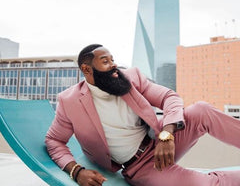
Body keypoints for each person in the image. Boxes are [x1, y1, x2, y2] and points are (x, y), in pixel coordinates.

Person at [45, 44, 240, 186]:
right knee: (207, 185)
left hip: (159, 141)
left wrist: (167, 134)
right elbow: (54, 141)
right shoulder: (69, 101)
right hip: (140, 167)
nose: (114, 65)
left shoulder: (131, 78)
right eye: (105, 62)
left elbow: (169, 97)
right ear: (87, 70)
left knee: (202, 110)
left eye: (113, 59)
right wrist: (76, 171)